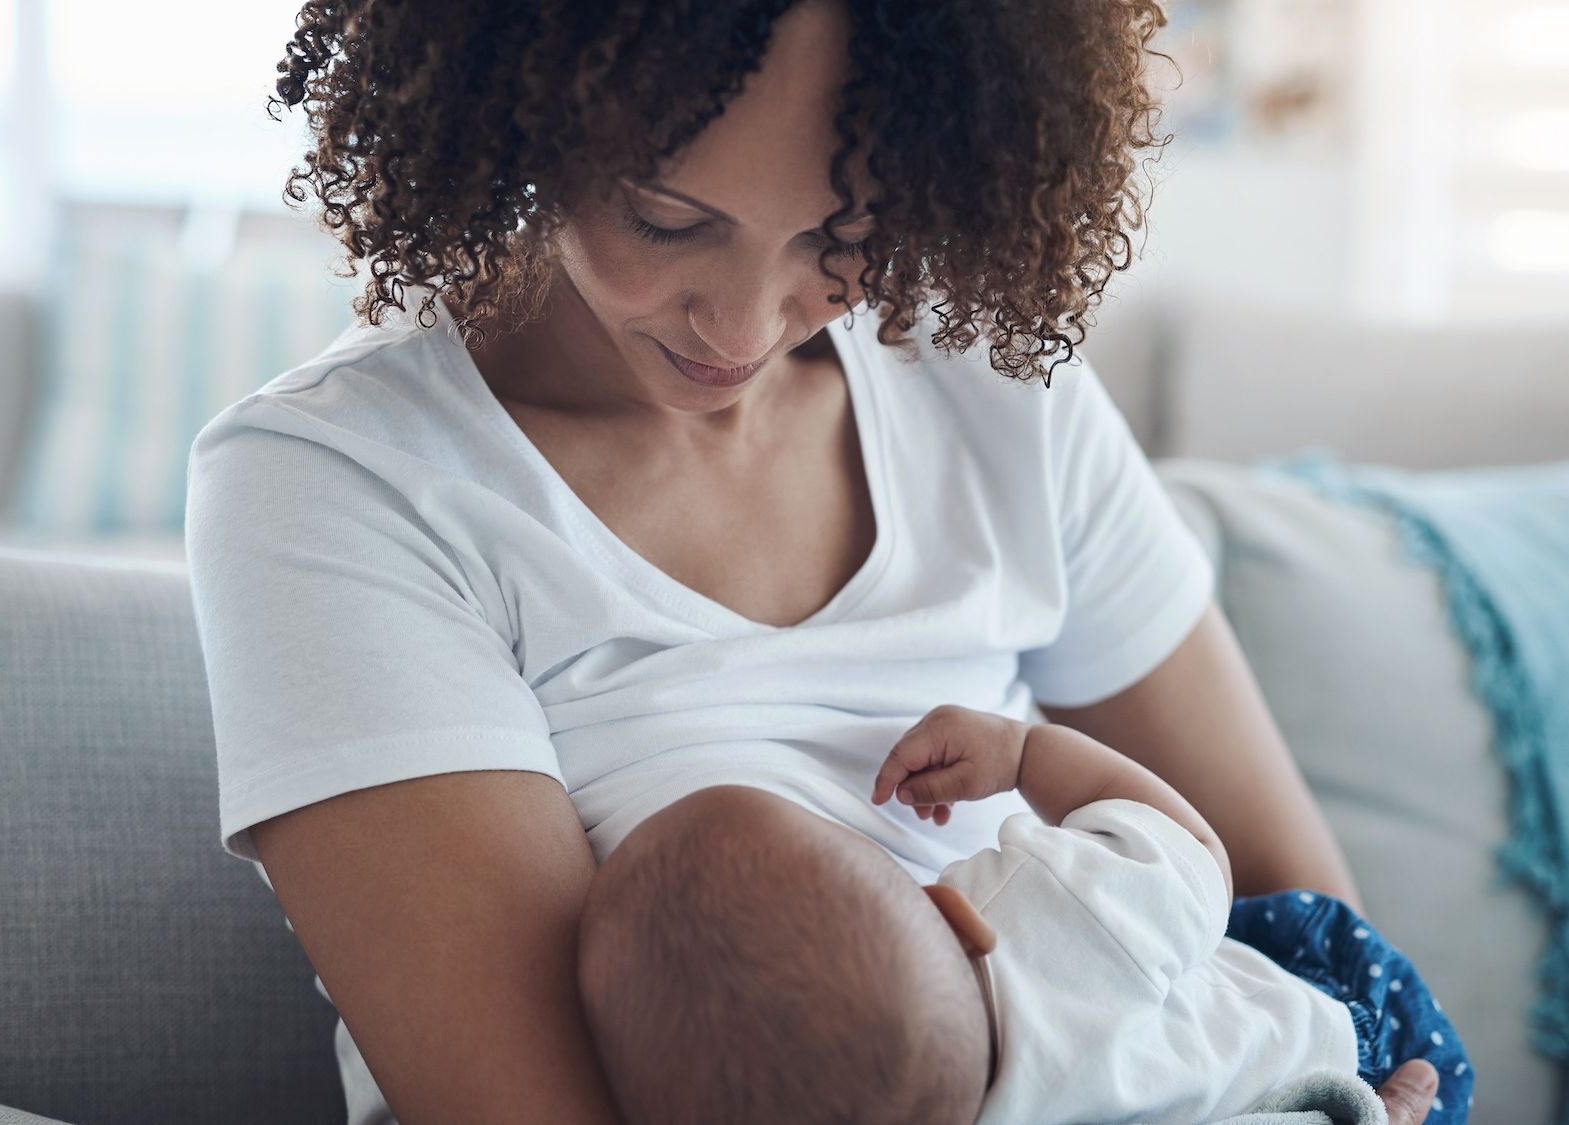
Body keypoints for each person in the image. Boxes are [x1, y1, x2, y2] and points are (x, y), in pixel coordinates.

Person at [182, 1, 1445, 1122]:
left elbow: (1308, 928)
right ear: (515, 113)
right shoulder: (337, 484)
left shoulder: (992, 388)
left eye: (842, 234)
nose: (740, 325)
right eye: (666, 219)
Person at [576, 705, 1474, 1125]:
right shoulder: (1036, 909)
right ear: (952, 915)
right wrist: (1028, 752)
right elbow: (1189, 853)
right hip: (1347, 1022)